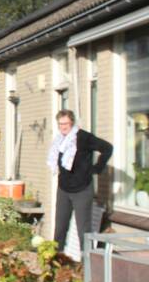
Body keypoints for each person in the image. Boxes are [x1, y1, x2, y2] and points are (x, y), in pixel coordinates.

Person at [48, 109, 112, 257]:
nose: (63, 127)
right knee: (60, 227)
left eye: (66, 124)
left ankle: (87, 265)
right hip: (64, 188)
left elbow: (107, 148)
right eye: (60, 124)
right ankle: (57, 261)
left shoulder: (83, 137)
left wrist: (97, 168)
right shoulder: (59, 140)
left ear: (72, 122)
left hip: (82, 189)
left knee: (84, 228)